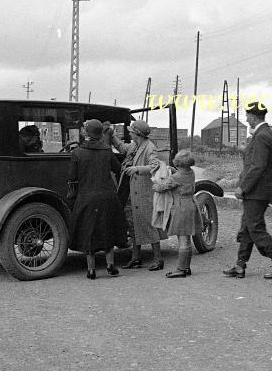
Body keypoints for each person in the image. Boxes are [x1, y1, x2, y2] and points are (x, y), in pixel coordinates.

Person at [223, 103, 272, 280]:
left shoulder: (261, 136)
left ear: (253, 117)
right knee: (247, 227)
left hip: (255, 192)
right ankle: (240, 265)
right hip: (261, 191)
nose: (246, 119)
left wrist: (243, 187)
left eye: (247, 116)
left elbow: (258, 166)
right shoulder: (270, 134)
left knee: (255, 227)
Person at [67, 119, 126, 280]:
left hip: (87, 197)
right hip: (107, 196)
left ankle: (91, 270)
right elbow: (117, 169)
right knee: (108, 230)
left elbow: (73, 177)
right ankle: (110, 266)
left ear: (87, 133)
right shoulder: (107, 150)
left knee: (89, 232)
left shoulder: (77, 152)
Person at [110, 119, 167, 271]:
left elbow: (155, 166)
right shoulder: (135, 146)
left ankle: (158, 259)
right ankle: (136, 258)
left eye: (131, 131)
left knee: (149, 224)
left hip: (143, 192)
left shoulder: (150, 148)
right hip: (131, 191)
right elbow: (122, 148)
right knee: (133, 224)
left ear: (138, 133)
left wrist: (137, 169)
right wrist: (111, 135)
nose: (129, 133)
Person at [152, 149, 202, 279]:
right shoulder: (191, 173)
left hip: (181, 207)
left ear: (178, 163)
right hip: (191, 204)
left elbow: (162, 187)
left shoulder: (176, 177)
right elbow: (181, 176)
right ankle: (187, 267)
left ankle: (180, 269)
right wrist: (174, 171)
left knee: (182, 240)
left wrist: (155, 185)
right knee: (188, 238)